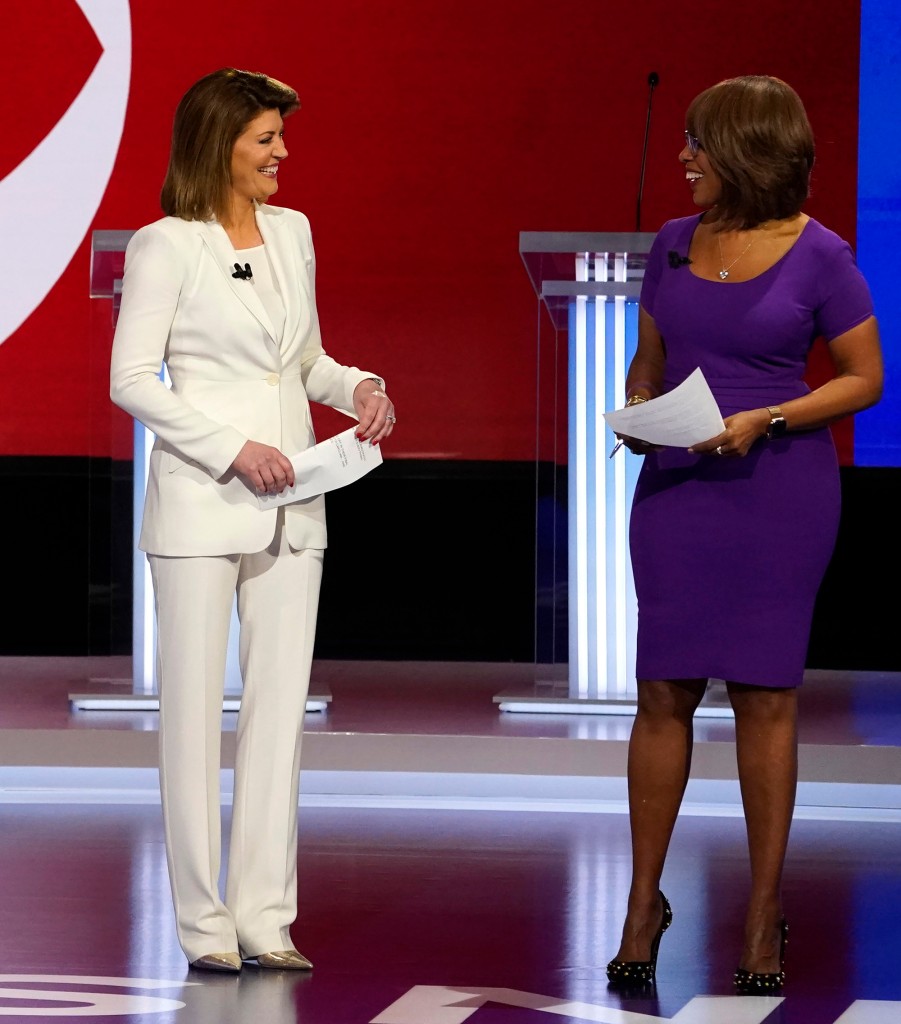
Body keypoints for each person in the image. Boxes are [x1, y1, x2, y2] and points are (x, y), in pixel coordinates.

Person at [109, 67, 396, 973]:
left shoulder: (291, 232)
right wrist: (232, 448)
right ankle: (202, 926)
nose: (283, 154)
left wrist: (357, 386)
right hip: (203, 501)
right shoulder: (164, 245)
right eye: (266, 139)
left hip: (295, 500)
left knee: (279, 717)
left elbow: (302, 360)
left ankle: (264, 918)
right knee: (193, 719)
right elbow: (130, 381)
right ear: (218, 144)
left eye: (280, 136)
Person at [605, 75, 883, 992]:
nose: (683, 157)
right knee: (662, 692)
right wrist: (639, 407)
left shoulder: (821, 256)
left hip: (776, 491)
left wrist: (769, 417)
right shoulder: (672, 245)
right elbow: (650, 363)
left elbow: (864, 380)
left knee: (764, 697)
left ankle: (763, 913)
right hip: (678, 487)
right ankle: (643, 902)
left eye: (698, 143)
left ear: (746, 153)